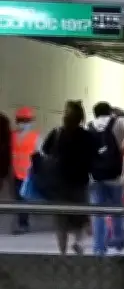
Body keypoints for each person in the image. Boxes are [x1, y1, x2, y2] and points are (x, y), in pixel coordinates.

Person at [86, 102, 124, 255]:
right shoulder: (117, 122)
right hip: (116, 177)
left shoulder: (89, 126)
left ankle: (99, 248)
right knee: (117, 209)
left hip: (95, 177)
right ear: (110, 111)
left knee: (98, 214)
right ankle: (118, 241)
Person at [41, 101, 96, 254]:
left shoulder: (57, 133)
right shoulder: (86, 136)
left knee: (63, 220)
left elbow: (45, 151)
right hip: (75, 182)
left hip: (64, 183)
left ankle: (64, 251)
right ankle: (74, 244)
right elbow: (92, 157)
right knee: (75, 218)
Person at [11, 106, 41, 234]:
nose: (24, 123)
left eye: (26, 121)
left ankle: (23, 224)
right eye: (22, 120)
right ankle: (22, 223)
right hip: (16, 173)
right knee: (19, 199)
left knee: (23, 199)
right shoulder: (12, 136)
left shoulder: (35, 137)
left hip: (29, 174)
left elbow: (40, 154)